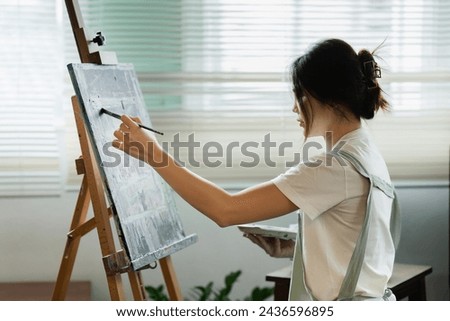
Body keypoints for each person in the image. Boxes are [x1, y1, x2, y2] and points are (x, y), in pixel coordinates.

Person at [112, 38, 399, 301]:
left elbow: (227, 210)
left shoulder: (333, 166)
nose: (294, 110)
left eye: (299, 97)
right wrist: (300, 246)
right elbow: (360, 238)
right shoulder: (363, 151)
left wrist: (153, 154)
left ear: (325, 98)